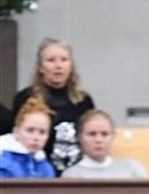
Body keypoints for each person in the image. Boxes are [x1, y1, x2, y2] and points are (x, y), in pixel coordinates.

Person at [11, 38, 96, 175]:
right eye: (51, 60)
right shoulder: (26, 98)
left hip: (77, 174)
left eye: (64, 60)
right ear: (40, 67)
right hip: (39, 172)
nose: (58, 66)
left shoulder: (84, 100)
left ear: (71, 65)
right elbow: (16, 138)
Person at [61, 110, 149, 180]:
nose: (98, 140)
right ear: (79, 137)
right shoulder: (71, 176)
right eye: (92, 134)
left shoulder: (132, 168)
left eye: (104, 134)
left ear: (113, 136)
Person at [0, 98, 56, 179]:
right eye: (30, 130)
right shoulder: (4, 164)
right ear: (16, 132)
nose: (36, 137)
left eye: (42, 132)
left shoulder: (47, 167)